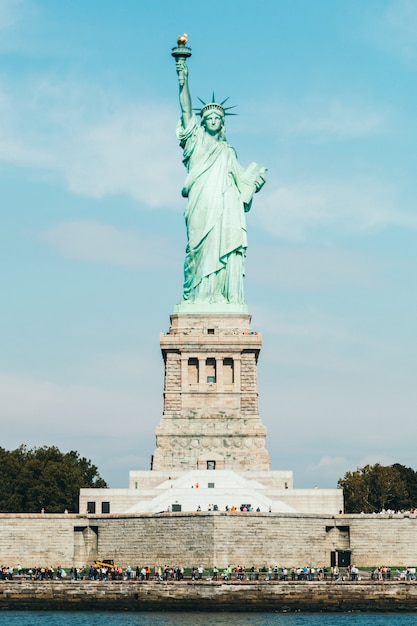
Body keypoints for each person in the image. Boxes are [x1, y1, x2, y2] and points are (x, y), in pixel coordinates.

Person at [175, 57, 266, 305]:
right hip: (201, 204)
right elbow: (185, 111)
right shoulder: (196, 142)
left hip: (224, 209)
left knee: (220, 246)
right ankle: (196, 295)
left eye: (217, 118)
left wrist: (256, 180)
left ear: (222, 123)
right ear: (202, 123)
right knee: (197, 248)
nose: (213, 121)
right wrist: (183, 81)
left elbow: (243, 183)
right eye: (209, 118)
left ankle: (218, 293)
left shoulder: (228, 152)